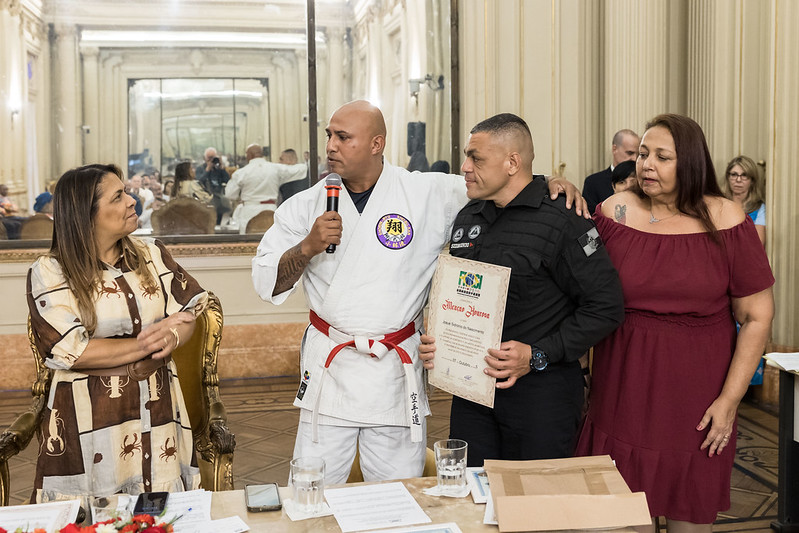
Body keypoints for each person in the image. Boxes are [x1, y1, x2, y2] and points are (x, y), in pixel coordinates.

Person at [252, 100, 588, 485]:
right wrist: (307, 247)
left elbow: (500, 182)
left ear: (377, 143)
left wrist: (546, 182)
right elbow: (267, 283)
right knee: (311, 491)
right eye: (329, 135)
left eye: (343, 137)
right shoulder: (303, 207)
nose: (330, 145)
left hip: (395, 374)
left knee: (400, 496)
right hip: (331, 373)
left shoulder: (426, 192)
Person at [575, 114, 774, 530]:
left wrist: (730, 402)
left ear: (691, 163)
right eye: (644, 154)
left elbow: (757, 316)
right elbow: (576, 287)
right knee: (619, 517)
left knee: (689, 514)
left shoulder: (728, 219)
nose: (647, 164)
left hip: (696, 400)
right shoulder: (614, 212)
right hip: (622, 389)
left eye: (662, 157)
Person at [417, 113, 624, 465]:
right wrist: (440, 338)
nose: (465, 167)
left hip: (542, 396)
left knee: (534, 505)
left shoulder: (562, 219)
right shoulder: (469, 217)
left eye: (476, 158)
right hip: (473, 392)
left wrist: (537, 354)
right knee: (474, 497)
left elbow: (606, 306)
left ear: (512, 162)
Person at [26, 163, 208, 509]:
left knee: (159, 516)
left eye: (127, 192)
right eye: (119, 196)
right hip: (88, 417)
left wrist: (172, 336)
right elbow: (72, 351)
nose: (132, 201)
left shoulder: (152, 254)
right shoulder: (50, 271)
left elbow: (189, 310)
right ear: (86, 213)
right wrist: (148, 343)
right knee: (94, 520)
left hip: (157, 407)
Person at [225, 144, 306, 233]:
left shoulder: (242, 173)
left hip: (248, 211)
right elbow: (302, 169)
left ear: (249, 155)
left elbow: (230, 194)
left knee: (248, 244)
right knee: (272, 241)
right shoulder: (276, 168)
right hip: (270, 210)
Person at [583, 129, 640, 215]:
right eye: (630, 153)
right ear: (614, 149)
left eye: (638, 154)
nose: (635, 158)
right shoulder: (593, 182)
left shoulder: (643, 181)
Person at [722, 155, 766, 245]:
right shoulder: (719, 204)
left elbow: (758, 243)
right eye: (734, 174)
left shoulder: (759, 208)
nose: (738, 180)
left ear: (752, 181)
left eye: (744, 175)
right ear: (728, 177)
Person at [196, 147, 231, 225]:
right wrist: (207, 169)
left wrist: (222, 168)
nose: (212, 160)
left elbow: (228, 180)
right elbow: (199, 182)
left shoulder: (219, 169)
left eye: (213, 157)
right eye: (209, 158)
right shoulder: (200, 169)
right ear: (205, 158)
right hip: (206, 199)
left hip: (219, 201)